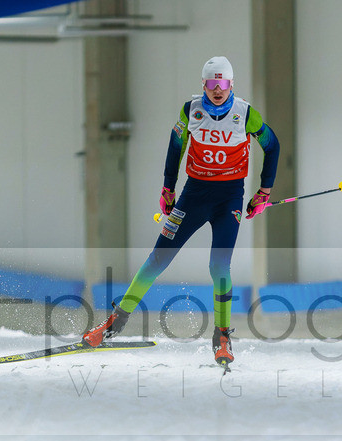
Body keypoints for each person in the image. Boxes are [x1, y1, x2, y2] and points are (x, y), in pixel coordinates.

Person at [82, 55, 281, 369]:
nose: (218, 90)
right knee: (157, 259)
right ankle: (114, 323)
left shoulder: (246, 115)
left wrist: (264, 190)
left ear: (231, 85)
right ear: (203, 84)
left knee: (219, 268)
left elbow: (273, 146)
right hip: (193, 195)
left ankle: (222, 336)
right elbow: (176, 146)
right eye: (212, 83)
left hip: (229, 198)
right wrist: (168, 187)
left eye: (223, 83)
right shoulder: (191, 111)